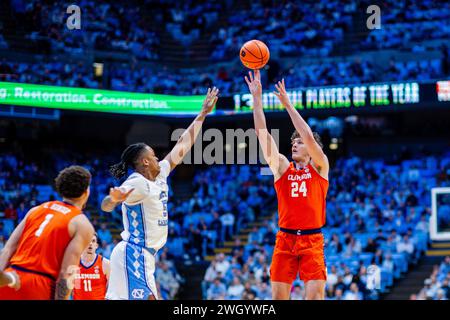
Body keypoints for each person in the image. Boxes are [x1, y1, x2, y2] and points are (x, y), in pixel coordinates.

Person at [102, 87, 219, 300]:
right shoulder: (137, 182)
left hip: (143, 255)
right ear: (145, 161)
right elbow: (106, 205)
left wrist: (202, 115)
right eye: (154, 156)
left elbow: (183, 145)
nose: (158, 159)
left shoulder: (160, 174)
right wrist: (113, 200)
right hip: (134, 253)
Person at [245, 70, 329, 300]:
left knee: (315, 297)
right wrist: (257, 98)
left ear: (312, 151)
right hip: (285, 239)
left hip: (312, 240)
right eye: (293, 142)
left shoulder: (320, 167)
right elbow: (262, 134)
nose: (295, 144)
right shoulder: (282, 167)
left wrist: (287, 105)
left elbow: (309, 137)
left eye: (299, 143)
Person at [0, 166, 95, 299]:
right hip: (39, 286)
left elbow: (8, 249)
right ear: (86, 192)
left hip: (13, 277)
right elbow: (66, 273)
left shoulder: (36, 210)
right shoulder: (82, 224)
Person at [72, 233, 110, 300]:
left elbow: (111, 289)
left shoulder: (105, 263)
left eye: (93, 241)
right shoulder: (73, 263)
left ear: (96, 245)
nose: (90, 243)